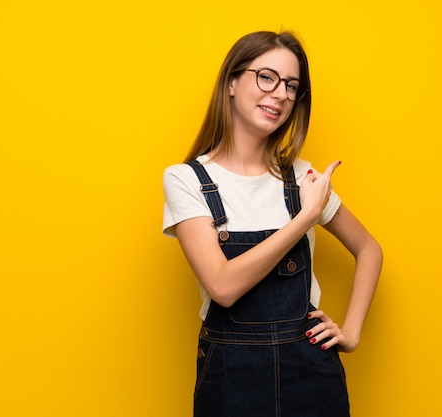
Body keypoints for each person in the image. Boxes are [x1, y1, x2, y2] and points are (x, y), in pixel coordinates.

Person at [162, 30, 382, 417]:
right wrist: (306, 218)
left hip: (313, 375)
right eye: (267, 77)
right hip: (231, 377)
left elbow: (369, 250)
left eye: (292, 86)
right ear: (231, 81)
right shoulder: (185, 179)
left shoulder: (305, 178)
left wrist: (350, 333)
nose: (280, 94)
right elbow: (223, 286)